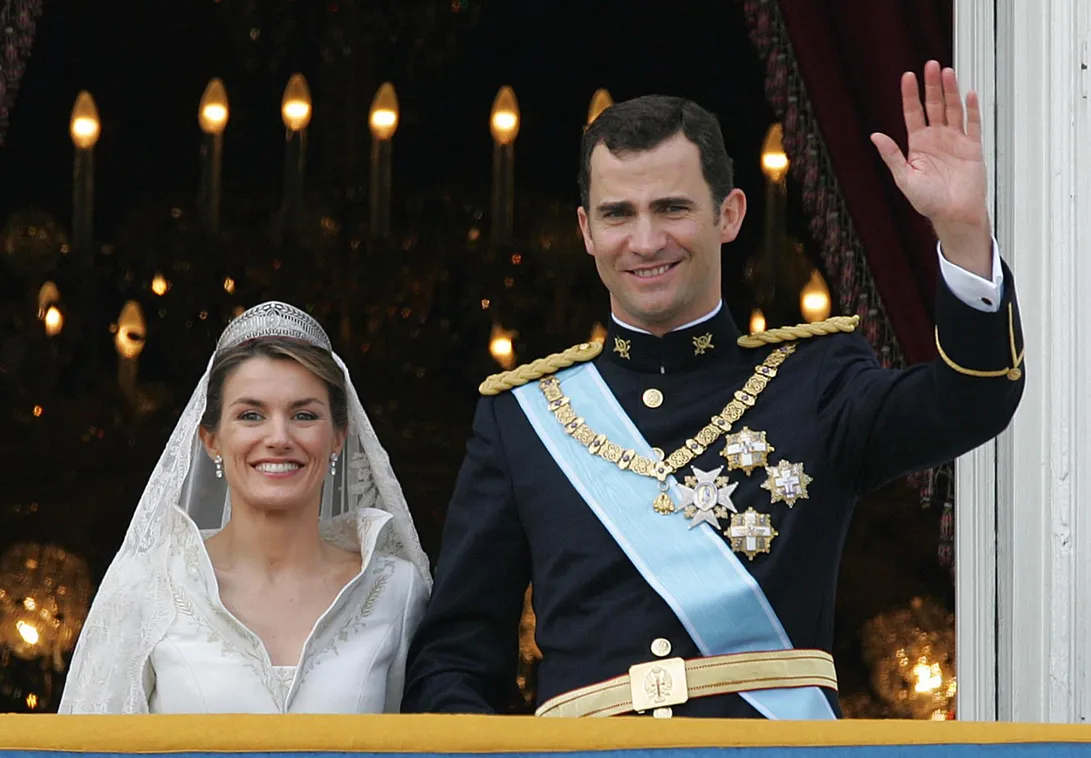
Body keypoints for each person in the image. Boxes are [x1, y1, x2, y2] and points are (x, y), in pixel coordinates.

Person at [401, 61, 1024, 720]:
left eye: (671, 209)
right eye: (618, 214)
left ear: (728, 215)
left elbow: (970, 399)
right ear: (586, 232)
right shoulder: (522, 417)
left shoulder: (814, 382)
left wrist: (960, 233)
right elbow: (458, 659)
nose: (645, 241)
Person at [59, 301, 431, 714]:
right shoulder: (149, 583)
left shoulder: (396, 590)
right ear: (211, 439)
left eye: (304, 415)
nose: (278, 437)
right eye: (251, 415)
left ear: (339, 436)